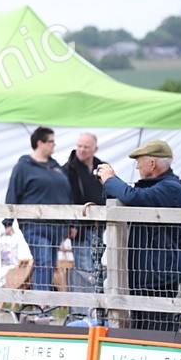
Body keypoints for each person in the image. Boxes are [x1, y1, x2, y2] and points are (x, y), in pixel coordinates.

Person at [98, 139, 181, 332]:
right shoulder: (158, 186)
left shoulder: (170, 187)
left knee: (161, 331)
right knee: (142, 330)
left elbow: (134, 197)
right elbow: (131, 196)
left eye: (139, 161)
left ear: (152, 164)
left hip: (160, 275)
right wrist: (111, 183)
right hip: (149, 273)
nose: (136, 166)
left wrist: (111, 180)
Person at [3, 127, 71, 297]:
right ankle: (41, 302)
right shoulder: (23, 166)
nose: (54, 145)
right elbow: (13, 192)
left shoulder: (56, 166)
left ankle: (43, 300)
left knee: (49, 263)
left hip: (57, 226)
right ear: (40, 143)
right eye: (51, 141)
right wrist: (8, 222)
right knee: (43, 260)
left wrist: (72, 223)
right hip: (34, 225)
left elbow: (67, 194)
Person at [64, 133, 106, 322]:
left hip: (101, 227)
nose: (81, 150)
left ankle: (97, 309)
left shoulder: (102, 168)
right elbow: (67, 198)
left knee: (99, 269)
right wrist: (71, 224)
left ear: (94, 149)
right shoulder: (68, 169)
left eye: (86, 147)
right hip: (80, 228)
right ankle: (83, 312)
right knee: (84, 270)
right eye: (79, 146)